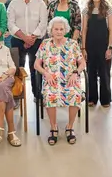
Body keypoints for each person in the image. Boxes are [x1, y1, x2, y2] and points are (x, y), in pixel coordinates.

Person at [35, 17, 86, 146]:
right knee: (49, 95)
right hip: (51, 80)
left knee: (75, 93)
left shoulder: (72, 44)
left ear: (66, 30)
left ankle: (69, 127)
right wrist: (46, 73)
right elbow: (36, 64)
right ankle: (54, 127)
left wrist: (76, 73)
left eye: (61, 29)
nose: (58, 31)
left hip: (70, 79)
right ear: (51, 30)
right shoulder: (45, 44)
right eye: (56, 29)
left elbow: (82, 63)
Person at [7, 0, 47, 102]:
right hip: (18, 40)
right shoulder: (13, 4)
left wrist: (32, 38)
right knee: (17, 69)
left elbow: (43, 23)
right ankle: (17, 95)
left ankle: (37, 95)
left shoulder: (40, 4)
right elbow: (11, 24)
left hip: (36, 41)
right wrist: (24, 38)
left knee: (36, 68)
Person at [81, 0, 112, 107]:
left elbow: (111, 30)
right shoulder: (86, 10)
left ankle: (105, 100)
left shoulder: (108, 10)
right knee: (90, 72)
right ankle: (91, 98)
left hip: (104, 46)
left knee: (105, 73)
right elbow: (84, 30)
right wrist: (83, 48)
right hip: (89, 46)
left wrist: (109, 48)